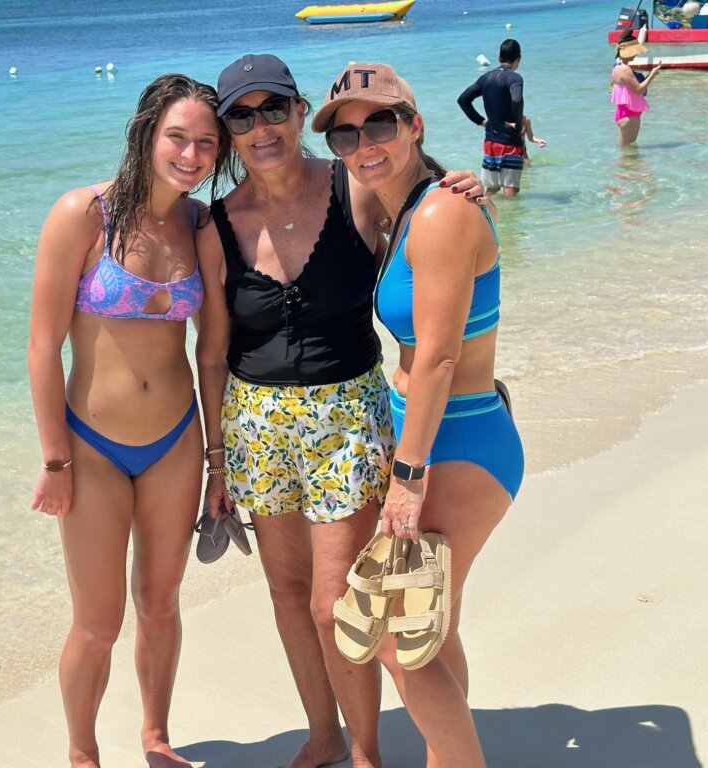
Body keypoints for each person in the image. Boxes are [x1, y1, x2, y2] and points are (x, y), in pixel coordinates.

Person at [195, 54, 485, 768]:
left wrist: (467, 187)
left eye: (273, 109)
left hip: (348, 419)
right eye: (242, 115)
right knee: (287, 594)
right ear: (228, 132)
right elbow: (211, 350)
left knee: (335, 604)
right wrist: (216, 458)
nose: (260, 127)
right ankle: (322, 734)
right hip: (257, 422)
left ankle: (365, 751)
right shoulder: (216, 224)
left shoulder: (355, 186)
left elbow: (430, 226)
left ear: (299, 113)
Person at [312, 61, 524, 767]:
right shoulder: (401, 201)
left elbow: (434, 359)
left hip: (455, 439)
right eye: (346, 135)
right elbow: (316, 183)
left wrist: (407, 475)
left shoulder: (438, 214)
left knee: (399, 635)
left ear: (414, 124)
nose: (364, 143)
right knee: (429, 624)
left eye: (381, 124)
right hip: (440, 432)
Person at [27, 73, 228, 768]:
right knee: (97, 622)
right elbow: (41, 346)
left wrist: (217, 460)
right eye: (179, 136)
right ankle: (82, 754)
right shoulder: (83, 214)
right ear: (147, 133)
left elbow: (214, 350)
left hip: (176, 440)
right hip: (91, 446)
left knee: (161, 603)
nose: (192, 153)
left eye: (207, 142)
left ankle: (155, 735)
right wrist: (55, 458)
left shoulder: (200, 226)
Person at [457, 38, 527, 198]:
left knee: (491, 192)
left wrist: (481, 121)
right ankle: (510, 223)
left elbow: (463, 100)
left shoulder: (485, 78)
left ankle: (490, 221)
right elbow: (517, 100)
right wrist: (517, 124)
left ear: (499, 57)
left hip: (490, 144)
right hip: (509, 143)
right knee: (510, 192)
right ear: (518, 59)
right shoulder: (515, 78)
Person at [611, 38, 662, 147]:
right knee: (629, 149)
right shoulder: (624, 69)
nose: (636, 55)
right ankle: (627, 164)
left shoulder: (617, 66)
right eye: (634, 52)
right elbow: (639, 89)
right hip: (630, 115)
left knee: (626, 148)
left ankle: (626, 164)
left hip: (625, 113)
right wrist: (652, 75)